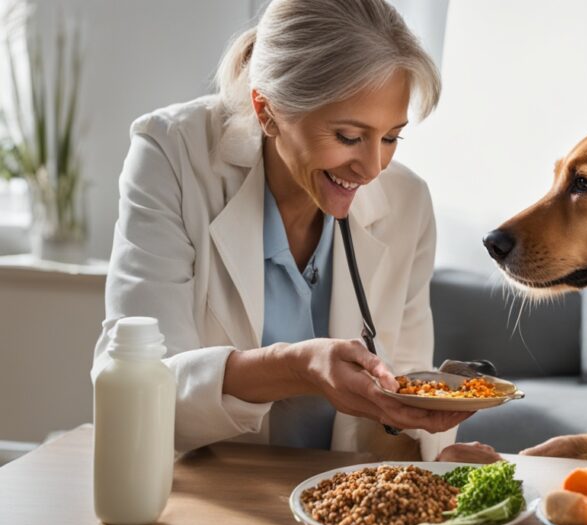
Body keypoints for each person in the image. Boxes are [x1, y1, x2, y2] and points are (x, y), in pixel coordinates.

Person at [92, 0, 498, 463]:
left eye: (391, 137)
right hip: (205, 494)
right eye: (348, 137)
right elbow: (141, 388)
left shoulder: (407, 202)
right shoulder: (172, 157)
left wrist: (429, 442)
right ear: (266, 111)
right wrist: (296, 368)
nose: (371, 169)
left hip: (340, 503)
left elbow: (401, 404)